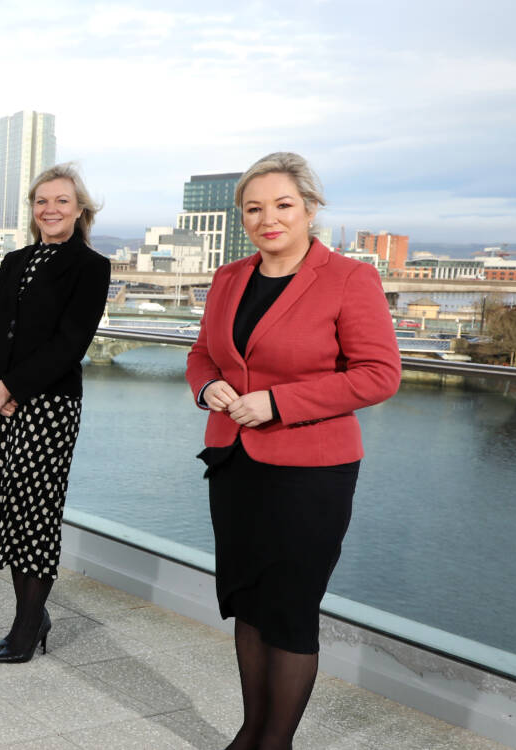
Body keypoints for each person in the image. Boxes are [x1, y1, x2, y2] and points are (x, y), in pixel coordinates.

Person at [186, 152, 400, 750]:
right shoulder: (229, 278)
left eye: (282, 205)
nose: (267, 218)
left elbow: (379, 375)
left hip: (312, 474)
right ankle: (249, 733)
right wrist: (207, 386)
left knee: (291, 610)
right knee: (249, 603)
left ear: (309, 208)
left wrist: (278, 404)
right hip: (234, 463)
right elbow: (203, 354)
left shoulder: (350, 279)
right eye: (253, 208)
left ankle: (273, 744)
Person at [0, 163, 110, 663]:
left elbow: (71, 343)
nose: (50, 210)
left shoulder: (91, 267)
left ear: (80, 208)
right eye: (42, 201)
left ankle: (27, 625)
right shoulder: (14, 260)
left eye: (61, 201)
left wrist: (12, 385)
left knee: (36, 513)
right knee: (5, 507)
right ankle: (32, 614)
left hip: (50, 406)